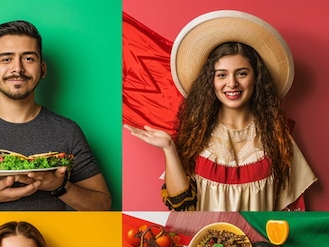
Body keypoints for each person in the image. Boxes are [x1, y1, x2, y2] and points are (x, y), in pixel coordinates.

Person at [124, 10, 317, 211]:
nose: (231, 83)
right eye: (222, 75)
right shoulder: (195, 133)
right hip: (203, 239)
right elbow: (181, 207)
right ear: (211, 81)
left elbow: (291, 211)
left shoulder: (277, 134)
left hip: (259, 242)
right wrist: (169, 148)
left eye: (241, 73)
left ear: (256, 78)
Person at [0, 20, 111, 211]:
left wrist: (60, 186)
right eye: (6, 59)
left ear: (42, 69)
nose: (17, 68)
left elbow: (102, 205)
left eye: (28, 59)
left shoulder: (68, 131)